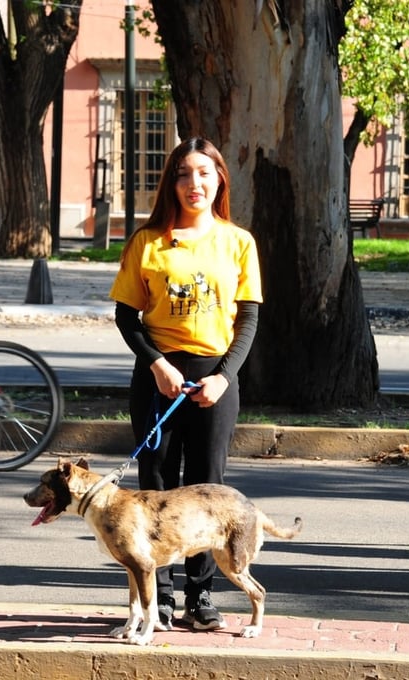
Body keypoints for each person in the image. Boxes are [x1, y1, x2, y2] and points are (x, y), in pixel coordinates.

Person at [109, 138, 262, 631]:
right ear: (170, 183)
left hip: (214, 376)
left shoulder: (238, 241)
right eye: (182, 174)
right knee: (155, 486)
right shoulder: (146, 241)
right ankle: (161, 598)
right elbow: (126, 315)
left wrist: (223, 375)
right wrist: (156, 363)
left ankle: (201, 597)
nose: (193, 184)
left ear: (219, 178)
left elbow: (249, 320)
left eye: (203, 173)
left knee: (207, 488)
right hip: (159, 377)